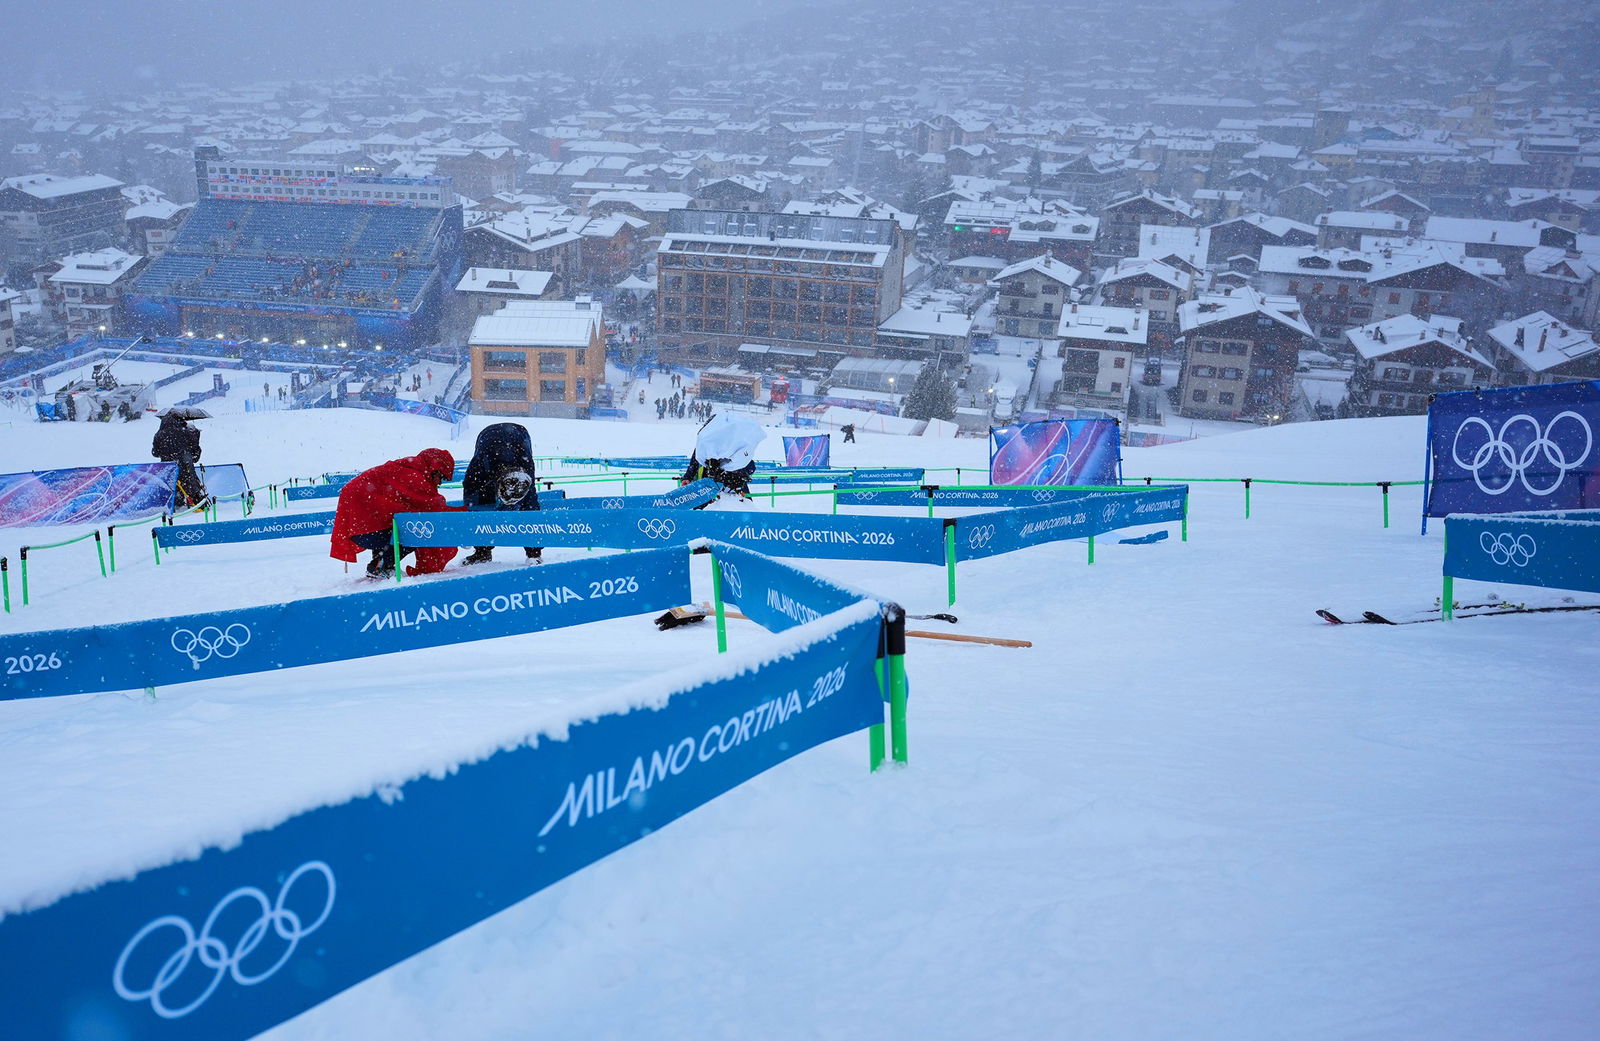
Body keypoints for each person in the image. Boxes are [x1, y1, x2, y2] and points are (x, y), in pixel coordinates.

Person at [330, 448, 460, 578]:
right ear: (434, 469)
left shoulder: (407, 469)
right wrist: (465, 516)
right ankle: (381, 565)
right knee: (415, 531)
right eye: (441, 477)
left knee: (394, 522)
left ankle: (379, 563)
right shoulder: (414, 476)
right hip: (365, 526)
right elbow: (434, 508)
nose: (440, 482)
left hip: (356, 524)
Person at [460, 423, 542, 565]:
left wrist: (535, 551)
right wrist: (470, 529)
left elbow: (531, 504)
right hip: (488, 436)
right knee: (481, 501)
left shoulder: (525, 467)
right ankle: (482, 552)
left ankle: (533, 552)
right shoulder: (479, 468)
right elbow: (472, 497)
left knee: (528, 505)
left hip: (520, 437)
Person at [681, 412, 764, 498]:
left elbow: (750, 467)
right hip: (709, 491)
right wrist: (688, 477)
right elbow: (695, 461)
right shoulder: (705, 446)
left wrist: (735, 472)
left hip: (735, 494)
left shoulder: (734, 447)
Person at [152, 412, 207, 507]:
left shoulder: (159, 434)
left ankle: (176, 506)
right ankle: (199, 504)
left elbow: (155, 453)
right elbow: (194, 448)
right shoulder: (184, 432)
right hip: (185, 466)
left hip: (169, 467)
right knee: (190, 486)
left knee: (172, 488)